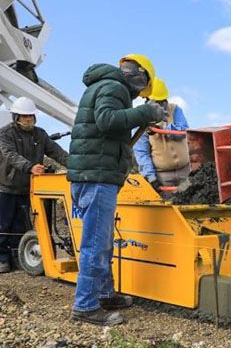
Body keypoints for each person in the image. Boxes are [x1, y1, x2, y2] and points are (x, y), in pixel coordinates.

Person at [67, 54, 168, 325]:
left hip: (97, 173)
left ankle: (104, 293)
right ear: (140, 75)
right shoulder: (113, 87)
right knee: (96, 244)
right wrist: (147, 112)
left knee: (103, 240)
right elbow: (107, 121)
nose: (138, 96)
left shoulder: (106, 85)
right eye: (142, 89)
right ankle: (86, 306)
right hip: (97, 176)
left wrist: (141, 119)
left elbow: (110, 129)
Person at [0, 97, 69, 273]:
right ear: (16, 117)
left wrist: (75, 164)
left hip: (26, 188)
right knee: (2, 224)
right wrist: (30, 167)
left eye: (31, 116)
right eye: (25, 117)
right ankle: (2, 259)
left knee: (21, 225)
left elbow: (57, 152)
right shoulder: (5, 134)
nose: (28, 120)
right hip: (4, 187)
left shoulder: (40, 135)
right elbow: (10, 155)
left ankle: (17, 257)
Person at [134, 78, 191, 192]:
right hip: (163, 176)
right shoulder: (140, 120)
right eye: (157, 102)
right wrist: (151, 177)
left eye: (163, 101)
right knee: (169, 206)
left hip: (185, 172)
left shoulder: (175, 110)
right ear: (148, 101)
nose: (161, 105)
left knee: (190, 200)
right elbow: (141, 152)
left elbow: (183, 131)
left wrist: (163, 128)